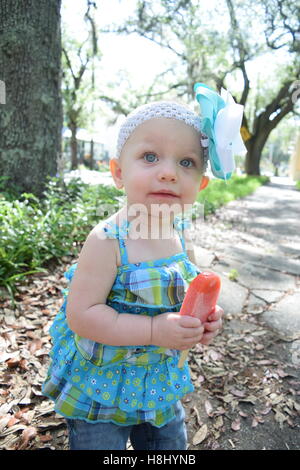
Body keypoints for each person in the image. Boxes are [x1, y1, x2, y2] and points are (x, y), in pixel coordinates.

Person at [43, 83, 245, 450]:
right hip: (102, 385)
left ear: (199, 183)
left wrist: (203, 321)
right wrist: (154, 329)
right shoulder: (108, 240)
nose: (169, 172)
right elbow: (82, 316)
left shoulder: (181, 237)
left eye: (186, 162)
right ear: (119, 172)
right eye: (150, 156)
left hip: (159, 382)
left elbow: (187, 296)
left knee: (169, 447)